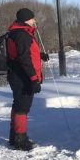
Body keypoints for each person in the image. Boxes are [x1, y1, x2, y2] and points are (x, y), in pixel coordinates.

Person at [6, 8, 48, 151]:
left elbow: (25, 53)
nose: (34, 21)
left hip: (18, 74)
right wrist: (34, 79)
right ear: (25, 20)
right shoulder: (22, 35)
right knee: (22, 106)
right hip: (21, 76)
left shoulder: (18, 33)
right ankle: (20, 140)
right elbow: (24, 59)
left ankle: (14, 136)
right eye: (32, 19)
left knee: (18, 104)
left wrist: (40, 55)